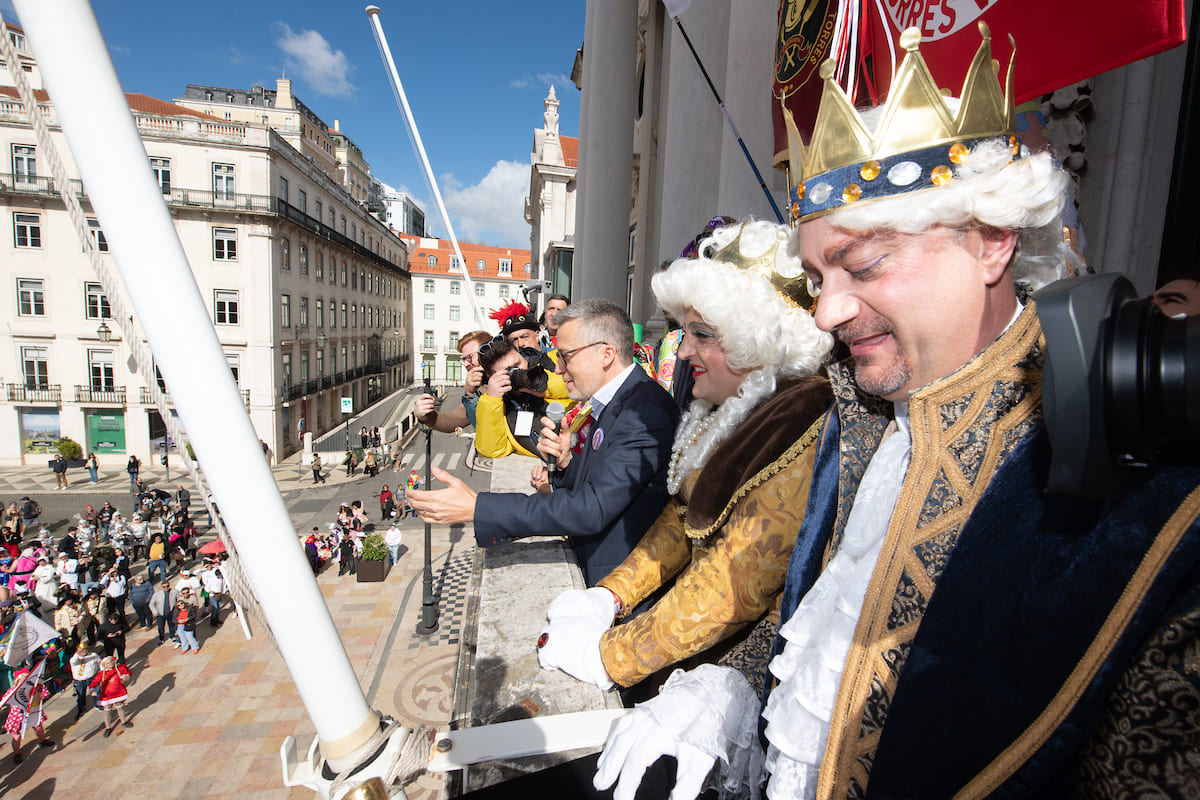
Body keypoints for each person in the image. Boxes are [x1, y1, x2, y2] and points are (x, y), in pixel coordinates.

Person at [594, 27, 1200, 800]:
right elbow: (819, 611)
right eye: (817, 277)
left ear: (990, 243)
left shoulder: (1142, 496)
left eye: (865, 262)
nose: (827, 313)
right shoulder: (860, 412)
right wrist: (731, 688)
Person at [536, 220, 833, 693]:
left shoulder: (798, 414)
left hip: (745, 678)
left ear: (753, 339)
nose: (684, 349)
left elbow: (734, 584)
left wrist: (609, 656)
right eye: (685, 331)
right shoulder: (733, 407)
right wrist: (612, 595)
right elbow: (684, 519)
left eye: (701, 334)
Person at [410, 299, 681, 585]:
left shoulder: (645, 411)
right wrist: (567, 463)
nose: (559, 369)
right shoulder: (620, 400)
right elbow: (602, 484)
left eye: (566, 356)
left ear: (606, 354)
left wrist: (479, 507)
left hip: (621, 586)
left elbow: (591, 509)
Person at [472, 336, 572, 459]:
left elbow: (584, 382)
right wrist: (491, 400)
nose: (517, 371)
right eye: (508, 371)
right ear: (491, 377)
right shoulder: (501, 408)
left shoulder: (550, 361)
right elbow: (492, 450)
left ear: (521, 354)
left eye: (518, 364)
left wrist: (544, 386)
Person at [416, 330, 492, 433]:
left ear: (487, 353)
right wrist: (426, 416)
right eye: (464, 359)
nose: (465, 364)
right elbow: (455, 420)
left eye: (469, 358)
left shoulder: (510, 378)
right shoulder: (480, 389)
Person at [6, 663, 55, 762]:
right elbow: (6, 699)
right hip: (18, 716)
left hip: (32, 712)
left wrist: (37, 692)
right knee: (16, 736)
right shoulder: (12, 691)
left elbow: (44, 694)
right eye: (22, 681)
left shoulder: (34, 688)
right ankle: (16, 753)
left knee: (39, 728)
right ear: (17, 681)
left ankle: (42, 740)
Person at [88, 655, 132, 736]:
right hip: (107, 696)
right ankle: (108, 727)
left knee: (120, 708)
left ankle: (123, 721)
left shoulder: (120, 668)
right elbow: (94, 682)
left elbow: (127, 673)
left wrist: (125, 677)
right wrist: (92, 689)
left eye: (111, 661)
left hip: (118, 693)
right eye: (108, 663)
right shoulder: (101, 674)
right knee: (107, 712)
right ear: (105, 665)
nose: (110, 664)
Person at [70, 642, 101, 721]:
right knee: (81, 696)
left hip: (92, 678)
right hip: (79, 681)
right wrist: (78, 653)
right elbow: (73, 661)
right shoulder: (75, 659)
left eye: (85, 649)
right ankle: (81, 710)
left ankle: (98, 705)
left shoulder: (94, 655)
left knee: (96, 692)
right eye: (82, 650)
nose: (84, 651)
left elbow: (100, 664)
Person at [150, 577, 179, 644]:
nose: (166, 588)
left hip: (170, 612)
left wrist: (177, 610)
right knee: (160, 626)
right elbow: (151, 604)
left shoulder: (174, 592)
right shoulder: (157, 594)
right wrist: (155, 612)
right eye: (164, 587)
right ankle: (161, 638)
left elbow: (179, 600)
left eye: (167, 586)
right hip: (160, 613)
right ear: (161, 587)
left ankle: (172, 636)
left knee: (171, 625)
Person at [199, 561, 225, 626]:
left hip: (219, 593)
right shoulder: (207, 575)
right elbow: (205, 585)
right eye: (207, 566)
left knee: (218, 607)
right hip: (213, 594)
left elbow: (223, 584)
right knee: (215, 607)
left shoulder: (218, 574)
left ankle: (216, 619)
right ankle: (212, 621)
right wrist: (209, 590)